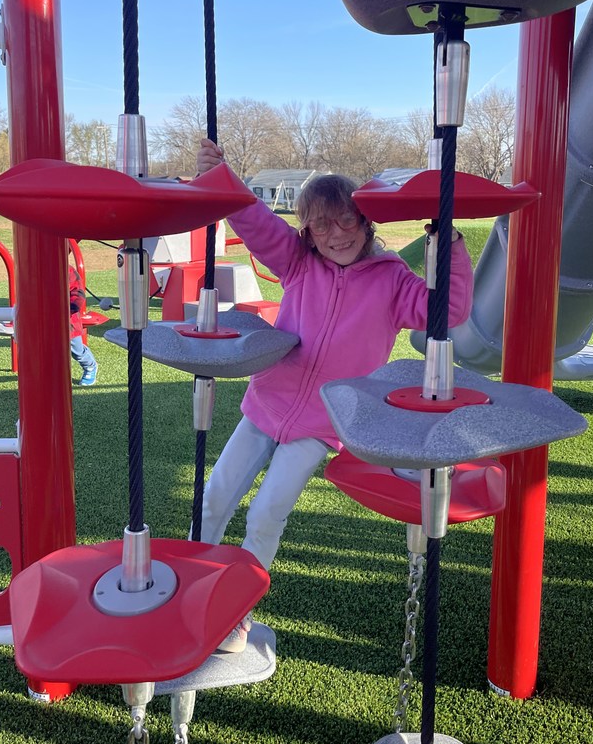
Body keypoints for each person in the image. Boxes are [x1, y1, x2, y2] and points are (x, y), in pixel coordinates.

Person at [195, 138, 474, 651]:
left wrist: (449, 238)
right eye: (321, 225)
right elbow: (253, 219)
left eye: (346, 220)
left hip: (322, 423)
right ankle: (194, 585)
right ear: (307, 231)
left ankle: (236, 611)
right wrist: (220, 175)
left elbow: (447, 310)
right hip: (267, 404)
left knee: (266, 513)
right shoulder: (298, 262)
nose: (336, 234)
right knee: (214, 498)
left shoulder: (392, 280)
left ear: (366, 223)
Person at [69, 264, 98, 386]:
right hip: (45, 320)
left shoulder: (67, 271)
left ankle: (90, 365)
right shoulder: (37, 271)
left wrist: (71, 307)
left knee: (77, 350)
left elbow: (78, 293)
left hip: (68, 321)